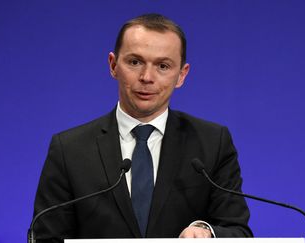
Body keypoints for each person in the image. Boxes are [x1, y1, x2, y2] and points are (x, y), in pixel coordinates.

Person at [32, 13, 253, 242]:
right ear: (113, 65)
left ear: (181, 75)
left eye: (163, 66)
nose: (147, 77)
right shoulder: (69, 150)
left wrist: (207, 231)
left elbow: (238, 231)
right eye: (135, 62)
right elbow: (46, 236)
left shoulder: (212, 143)